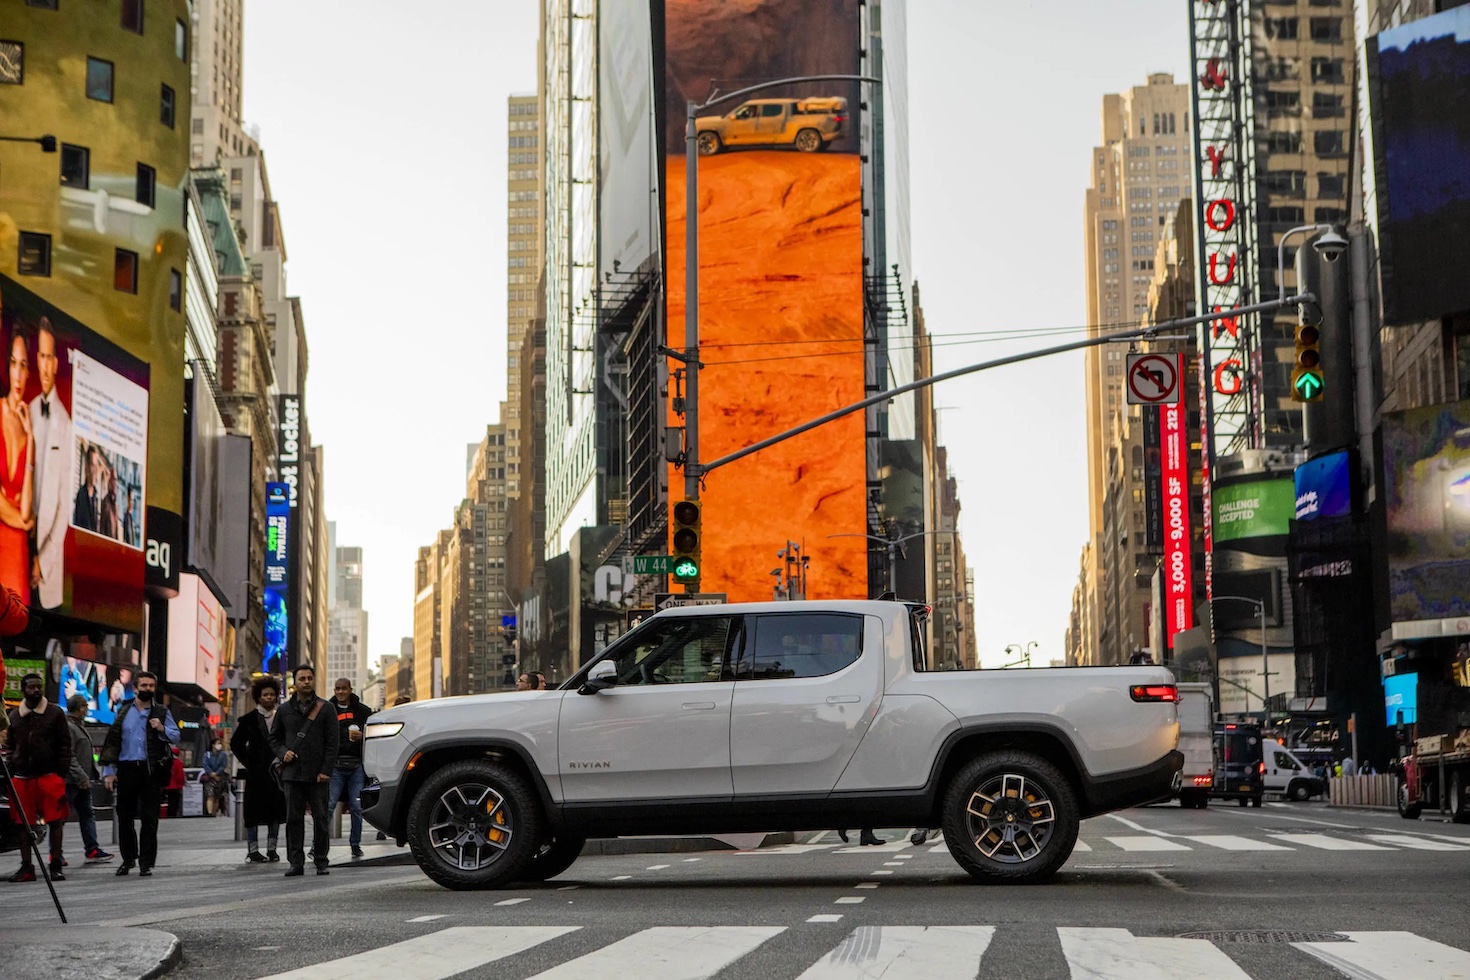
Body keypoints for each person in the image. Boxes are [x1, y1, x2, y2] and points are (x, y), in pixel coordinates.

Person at [100, 670, 179, 877]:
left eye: (151, 686)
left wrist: (161, 728)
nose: (147, 689)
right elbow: (113, 742)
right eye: (143, 686)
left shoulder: (161, 711)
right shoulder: (124, 711)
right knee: (124, 816)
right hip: (127, 769)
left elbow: (176, 736)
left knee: (149, 818)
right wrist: (109, 771)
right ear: (135, 688)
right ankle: (128, 860)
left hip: (150, 769)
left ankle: (146, 863)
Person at [269, 665, 339, 877]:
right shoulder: (283, 710)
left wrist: (326, 770)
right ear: (295, 683)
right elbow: (274, 738)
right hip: (292, 773)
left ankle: (321, 860)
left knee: (320, 819)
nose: (306, 681)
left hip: (318, 774)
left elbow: (332, 743)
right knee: (293, 819)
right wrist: (283, 753)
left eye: (309, 678)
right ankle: (295, 862)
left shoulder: (326, 708)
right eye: (302, 678)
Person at [4, 673, 71, 882]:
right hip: (22, 776)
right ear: (23, 689)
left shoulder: (55, 713)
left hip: (49, 775)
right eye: (31, 687)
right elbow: (10, 745)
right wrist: (12, 765)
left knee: (55, 821)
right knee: (22, 823)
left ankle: (56, 863)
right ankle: (27, 866)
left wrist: (61, 772)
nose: (36, 690)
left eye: (38, 686)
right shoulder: (15, 715)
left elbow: (65, 744)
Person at [28, 319, 68, 610]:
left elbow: (65, 506)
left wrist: (43, 560)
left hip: (46, 569)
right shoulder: (27, 409)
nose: (43, 366)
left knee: (34, 650)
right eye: (39, 356)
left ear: (55, 363)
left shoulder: (66, 424)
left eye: (48, 357)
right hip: (18, 546)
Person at [231, 677, 285, 863]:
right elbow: (235, 743)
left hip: (276, 774)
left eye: (272, 694)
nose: (269, 698)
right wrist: (249, 762)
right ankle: (253, 850)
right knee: (252, 813)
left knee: (275, 812)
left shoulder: (281, 718)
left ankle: (272, 849)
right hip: (256, 775)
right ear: (258, 697)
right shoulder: (248, 720)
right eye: (265, 695)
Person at [0, 327, 35, 602]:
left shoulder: (27, 429)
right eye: (14, 363)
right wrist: (23, 522)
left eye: (24, 365)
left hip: (17, 551)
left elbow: (26, 509)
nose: (18, 374)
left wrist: (31, 439)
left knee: (14, 617)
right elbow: (23, 517)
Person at [327, 678, 373, 858]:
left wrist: (364, 736)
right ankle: (318, 846)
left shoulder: (363, 711)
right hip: (335, 765)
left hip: (356, 765)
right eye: (337, 689)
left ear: (350, 689)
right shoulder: (327, 710)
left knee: (357, 807)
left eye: (343, 689)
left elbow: (372, 733)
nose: (340, 692)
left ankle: (355, 844)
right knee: (329, 807)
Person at [63, 694, 112, 863]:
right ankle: (56, 853)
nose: (87, 709)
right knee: (61, 817)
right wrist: (81, 775)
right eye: (84, 706)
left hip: (83, 780)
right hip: (71, 781)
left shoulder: (78, 726)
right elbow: (69, 755)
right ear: (79, 708)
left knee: (87, 813)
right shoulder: (69, 727)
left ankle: (92, 849)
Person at [72, 444, 104, 533]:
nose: (95, 471)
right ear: (86, 467)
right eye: (92, 465)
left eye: (97, 466)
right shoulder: (81, 495)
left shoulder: (97, 498)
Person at [202, 737, 230, 816]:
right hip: (209, 778)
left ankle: (214, 813)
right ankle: (210, 813)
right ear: (213, 745)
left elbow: (223, 765)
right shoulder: (207, 754)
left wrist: (217, 773)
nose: (220, 745)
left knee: (217, 797)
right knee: (210, 796)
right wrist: (211, 773)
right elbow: (205, 764)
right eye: (218, 743)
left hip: (220, 778)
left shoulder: (223, 755)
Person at [164, 746, 186, 817]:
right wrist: (181, 784)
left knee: (168, 802)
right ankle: (173, 815)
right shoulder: (178, 763)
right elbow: (180, 776)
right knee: (174, 803)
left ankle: (168, 814)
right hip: (175, 786)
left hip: (166, 785)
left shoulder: (166, 762)